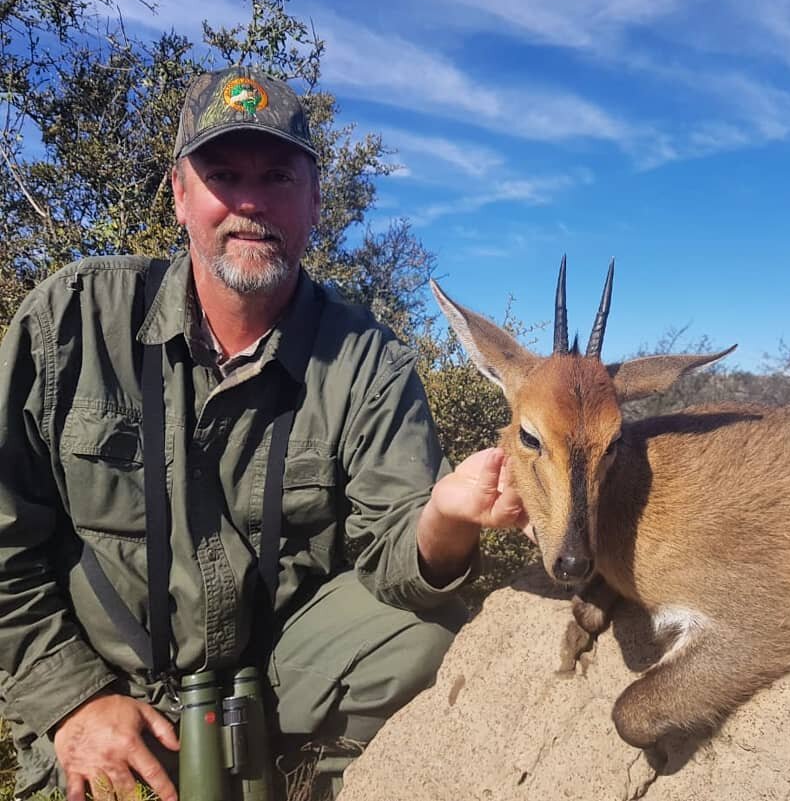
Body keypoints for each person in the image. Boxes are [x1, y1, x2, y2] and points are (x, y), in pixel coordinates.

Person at [0, 66, 527, 801]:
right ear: (180, 194)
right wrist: (70, 700)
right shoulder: (69, 323)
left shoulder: (368, 359)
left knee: (430, 639)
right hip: (109, 690)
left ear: (314, 199)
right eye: (222, 174)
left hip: (273, 680)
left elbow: (394, 560)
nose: (249, 202)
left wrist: (446, 514)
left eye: (277, 175)